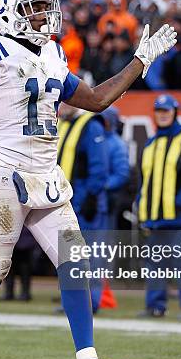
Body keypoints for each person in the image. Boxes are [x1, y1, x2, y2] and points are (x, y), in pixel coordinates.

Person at [0, 0, 176, 359]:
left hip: (47, 176)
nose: (43, 15)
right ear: (9, 13)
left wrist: (140, 61)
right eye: (33, 8)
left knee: (76, 262)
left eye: (44, 6)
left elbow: (97, 99)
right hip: (7, 176)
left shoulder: (53, 53)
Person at [136, 94, 181, 319]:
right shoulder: (151, 143)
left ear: (175, 112)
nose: (163, 114)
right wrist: (141, 206)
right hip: (156, 220)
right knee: (155, 265)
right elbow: (145, 180)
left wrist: (178, 203)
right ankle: (155, 307)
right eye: (159, 111)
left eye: (166, 110)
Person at [57, 103, 110, 314]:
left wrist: (91, 196)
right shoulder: (61, 124)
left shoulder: (91, 125)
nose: (64, 104)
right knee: (67, 257)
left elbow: (99, 166)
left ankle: (92, 302)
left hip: (86, 202)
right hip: (64, 201)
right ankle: (72, 303)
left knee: (90, 255)